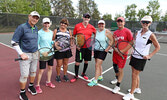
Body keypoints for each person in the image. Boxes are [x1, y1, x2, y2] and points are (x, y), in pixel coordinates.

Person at [123, 16, 160, 100]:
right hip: (134, 56)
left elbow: (158, 47)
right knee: (135, 74)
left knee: (134, 75)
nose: (145, 24)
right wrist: (132, 54)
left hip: (141, 58)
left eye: (147, 22)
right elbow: (136, 45)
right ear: (141, 22)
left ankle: (131, 94)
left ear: (150, 23)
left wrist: (149, 55)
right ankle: (136, 88)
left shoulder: (151, 35)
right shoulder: (138, 32)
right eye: (144, 22)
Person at [11, 11, 40, 100]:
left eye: (37, 18)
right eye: (33, 17)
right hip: (25, 55)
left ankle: (30, 86)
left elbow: (35, 41)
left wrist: (38, 50)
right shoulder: (22, 27)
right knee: (24, 75)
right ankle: (22, 92)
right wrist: (21, 53)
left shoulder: (35, 28)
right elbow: (14, 42)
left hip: (35, 54)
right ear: (29, 16)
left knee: (33, 72)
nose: (35, 19)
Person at [70, 13, 96, 83]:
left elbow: (96, 34)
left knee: (86, 61)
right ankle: (76, 76)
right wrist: (76, 44)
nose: (86, 18)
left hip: (88, 48)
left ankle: (83, 73)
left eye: (88, 17)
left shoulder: (92, 27)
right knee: (77, 62)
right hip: (80, 48)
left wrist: (93, 42)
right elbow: (73, 36)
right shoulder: (77, 26)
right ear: (83, 18)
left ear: (89, 19)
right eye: (85, 17)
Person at [87, 20, 113, 86]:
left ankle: (95, 80)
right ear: (98, 25)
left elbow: (112, 40)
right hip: (96, 49)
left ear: (104, 25)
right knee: (98, 64)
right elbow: (95, 40)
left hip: (103, 50)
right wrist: (90, 45)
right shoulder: (96, 32)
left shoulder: (107, 32)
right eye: (100, 24)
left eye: (102, 24)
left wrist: (108, 48)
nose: (101, 25)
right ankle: (100, 76)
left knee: (97, 65)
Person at [111, 17, 133, 94]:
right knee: (114, 66)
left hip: (122, 55)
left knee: (120, 69)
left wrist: (123, 51)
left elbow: (131, 42)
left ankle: (118, 86)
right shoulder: (115, 32)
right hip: (115, 54)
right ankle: (117, 78)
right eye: (118, 22)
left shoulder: (127, 31)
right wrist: (115, 48)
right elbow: (113, 43)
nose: (119, 23)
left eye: (121, 22)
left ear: (124, 23)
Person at [35, 18, 55, 94]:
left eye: (48, 23)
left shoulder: (51, 32)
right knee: (41, 70)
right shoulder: (39, 33)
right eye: (45, 23)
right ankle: (37, 85)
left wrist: (54, 43)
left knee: (50, 68)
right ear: (43, 24)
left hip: (51, 53)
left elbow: (51, 42)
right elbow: (37, 44)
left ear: (50, 24)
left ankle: (48, 82)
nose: (46, 25)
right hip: (43, 55)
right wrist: (42, 52)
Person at [53, 18, 73, 82]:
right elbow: (53, 40)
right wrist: (56, 46)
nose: (63, 24)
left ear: (67, 25)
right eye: (62, 23)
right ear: (60, 24)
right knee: (59, 64)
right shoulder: (56, 30)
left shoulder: (69, 31)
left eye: (64, 23)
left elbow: (70, 39)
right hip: (59, 50)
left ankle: (65, 75)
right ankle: (58, 76)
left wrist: (71, 43)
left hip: (67, 50)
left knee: (65, 63)